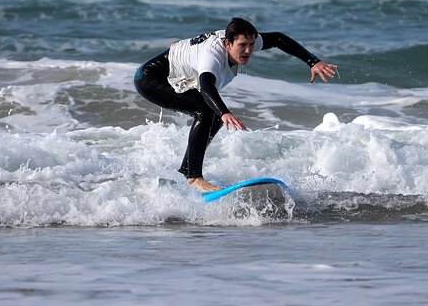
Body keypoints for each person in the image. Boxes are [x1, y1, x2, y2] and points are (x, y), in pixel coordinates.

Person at [133, 17, 337, 193]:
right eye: (242, 46)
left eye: (251, 45)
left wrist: (313, 61)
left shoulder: (245, 40)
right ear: (227, 43)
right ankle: (194, 178)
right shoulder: (212, 56)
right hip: (151, 77)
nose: (248, 50)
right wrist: (224, 112)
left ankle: (186, 173)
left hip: (169, 75)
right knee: (206, 111)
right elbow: (206, 85)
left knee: (212, 115)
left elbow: (278, 38)